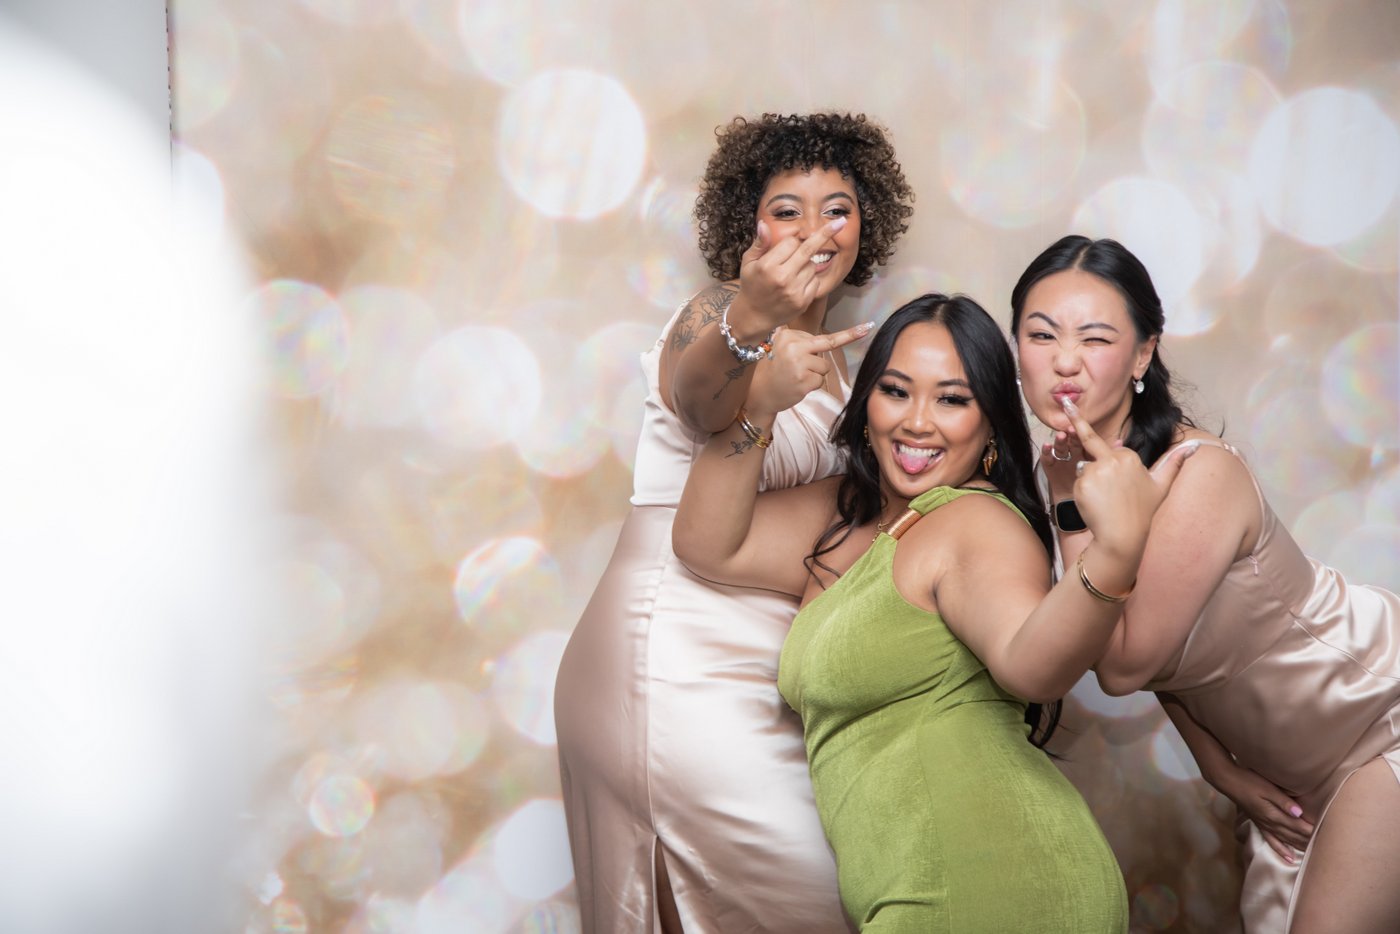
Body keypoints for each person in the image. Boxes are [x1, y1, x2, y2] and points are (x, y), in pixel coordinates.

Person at [674, 293, 1196, 932]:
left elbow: (1032, 667)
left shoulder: (973, 522)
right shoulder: (849, 516)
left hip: (993, 881)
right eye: (896, 390)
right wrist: (758, 406)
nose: (917, 422)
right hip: (917, 886)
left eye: (952, 399)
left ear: (989, 427)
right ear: (865, 405)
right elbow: (707, 543)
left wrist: (1116, 553)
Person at [554, 112, 915, 933]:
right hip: (672, 655)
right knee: (818, 902)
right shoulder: (714, 312)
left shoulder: (844, 365)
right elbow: (699, 394)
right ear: (748, 226)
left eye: (838, 207)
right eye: (786, 209)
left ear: (869, 222)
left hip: (763, 669)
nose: (815, 230)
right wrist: (749, 323)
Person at [1010, 234, 1400, 934]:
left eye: (1094, 338)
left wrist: (1071, 503)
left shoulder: (1199, 473)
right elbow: (1149, 632)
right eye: (1041, 335)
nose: (1064, 360)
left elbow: (1125, 665)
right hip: (1290, 772)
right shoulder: (1068, 469)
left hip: (1376, 723)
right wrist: (1216, 763)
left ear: (1141, 355)